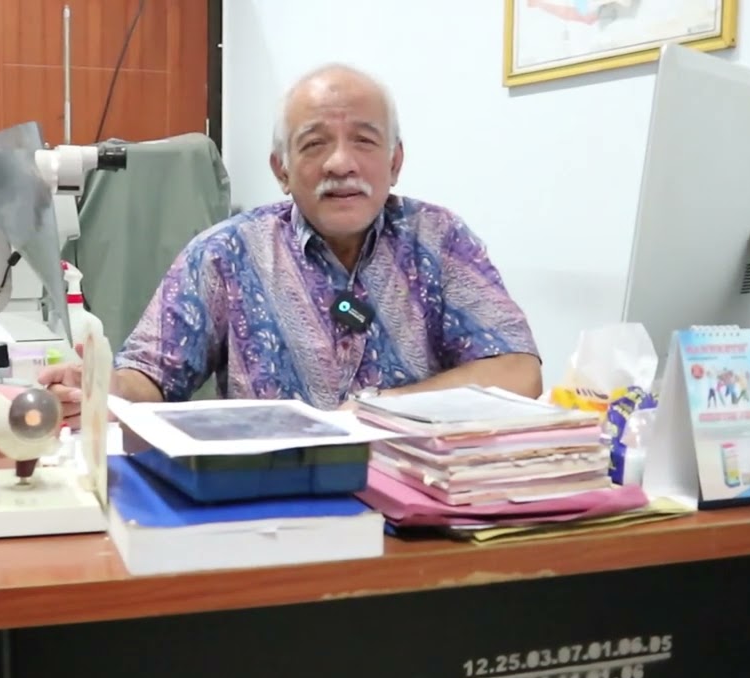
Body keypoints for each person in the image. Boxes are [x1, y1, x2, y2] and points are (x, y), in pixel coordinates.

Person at [40, 63, 541, 424]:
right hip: (270, 498)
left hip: (416, 498)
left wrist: (379, 410)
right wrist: (100, 390)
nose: (340, 163)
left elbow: (518, 371)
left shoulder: (439, 239)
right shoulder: (225, 253)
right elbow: (149, 375)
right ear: (281, 169)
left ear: (395, 163)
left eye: (364, 140)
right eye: (314, 143)